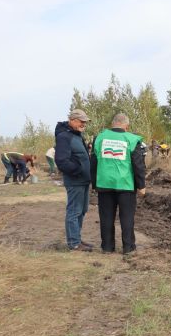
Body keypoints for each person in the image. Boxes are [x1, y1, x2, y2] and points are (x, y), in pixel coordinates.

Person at [91, 113, 146, 254]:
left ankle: (107, 247)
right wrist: (141, 185)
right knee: (127, 217)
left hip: (104, 184)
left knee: (106, 217)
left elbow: (93, 163)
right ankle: (128, 247)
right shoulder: (132, 139)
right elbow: (138, 165)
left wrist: (94, 184)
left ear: (113, 123)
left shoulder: (99, 139)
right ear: (126, 126)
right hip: (125, 185)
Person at [54, 109, 93, 252]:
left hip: (83, 181)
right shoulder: (64, 137)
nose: (84, 124)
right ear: (72, 120)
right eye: (81, 121)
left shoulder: (77, 135)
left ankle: (76, 238)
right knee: (74, 211)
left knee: (82, 210)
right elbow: (61, 160)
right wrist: (77, 170)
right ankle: (74, 243)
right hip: (75, 180)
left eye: (85, 122)